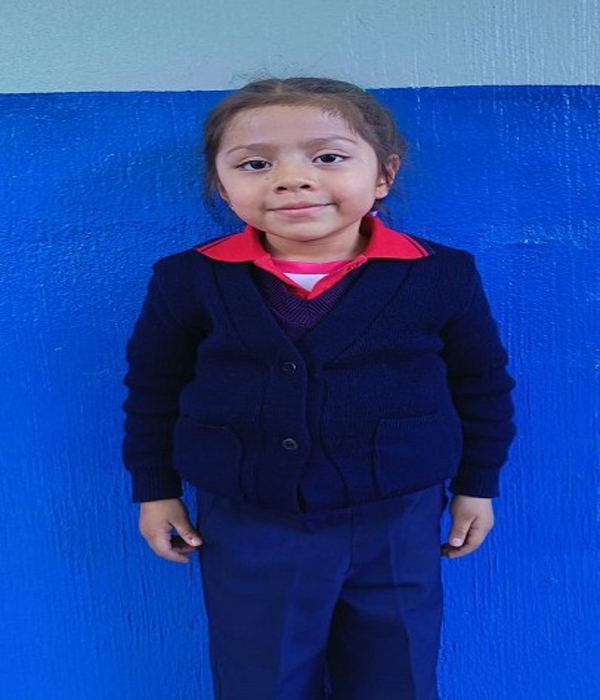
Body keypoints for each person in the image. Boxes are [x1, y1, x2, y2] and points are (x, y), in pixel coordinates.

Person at [121, 76, 517, 700]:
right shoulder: (188, 279)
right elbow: (154, 388)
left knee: (396, 675)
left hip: (398, 516)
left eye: (328, 157)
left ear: (384, 174)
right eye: (255, 164)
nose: (292, 179)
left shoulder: (441, 274)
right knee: (262, 679)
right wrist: (156, 488)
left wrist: (477, 484)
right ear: (221, 185)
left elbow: (481, 385)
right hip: (249, 517)